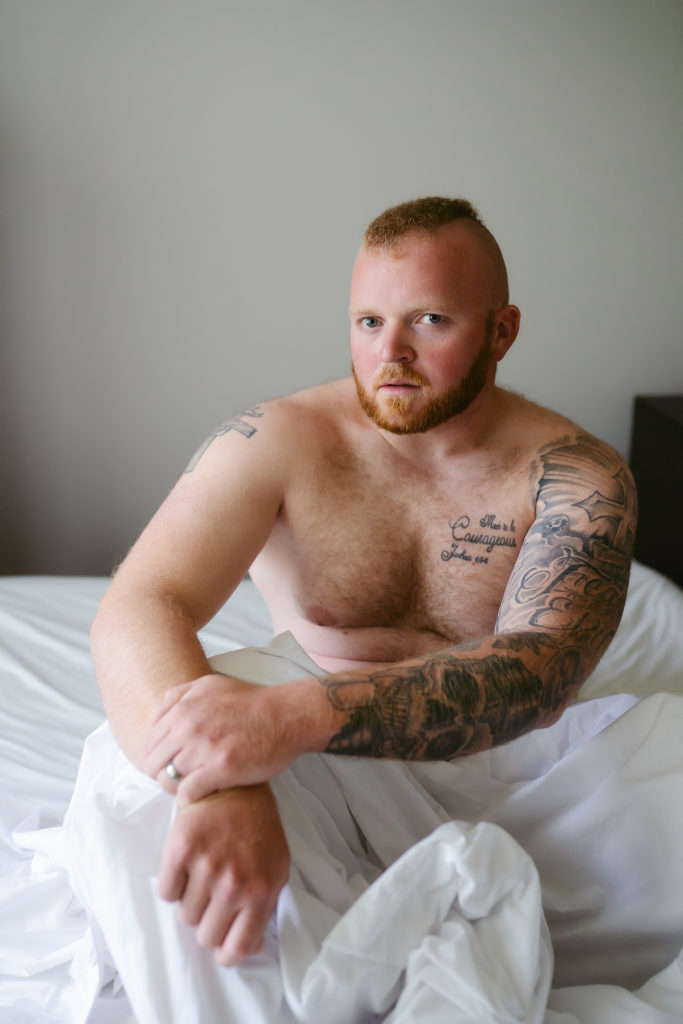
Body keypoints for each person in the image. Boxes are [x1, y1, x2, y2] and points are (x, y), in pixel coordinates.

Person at [90, 195, 637, 969]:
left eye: (430, 321)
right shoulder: (275, 439)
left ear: (501, 330)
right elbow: (140, 603)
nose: (392, 355)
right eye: (369, 322)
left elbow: (540, 672)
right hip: (303, 768)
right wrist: (223, 783)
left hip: (501, 770)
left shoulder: (575, 474)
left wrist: (292, 718)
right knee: (148, 771)